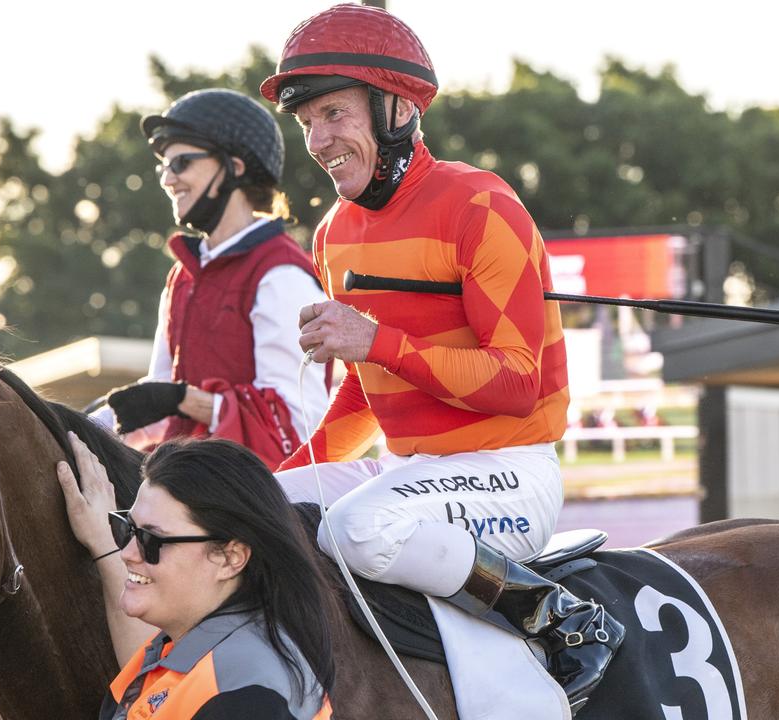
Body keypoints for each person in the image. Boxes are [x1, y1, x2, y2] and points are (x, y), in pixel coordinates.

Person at [257, 3, 623, 710]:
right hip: (413, 474)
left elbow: (518, 384)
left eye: (334, 113)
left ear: (396, 107)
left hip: (509, 472)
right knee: (248, 510)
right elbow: (365, 396)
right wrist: (277, 480)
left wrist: (376, 341)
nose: (319, 140)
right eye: (307, 124)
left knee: (358, 529)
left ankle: (559, 617)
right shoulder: (333, 234)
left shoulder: (482, 206)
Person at [91, 88, 329, 470]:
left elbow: (295, 426)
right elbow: (156, 400)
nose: (168, 179)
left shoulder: (281, 274)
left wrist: (184, 399)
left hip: (255, 496)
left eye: (181, 163)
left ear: (234, 166)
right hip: (179, 478)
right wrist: (77, 429)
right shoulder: (181, 275)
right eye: (163, 167)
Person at [55, 433, 335, 719]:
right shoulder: (168, 650)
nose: (126, 553)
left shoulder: (244, 693)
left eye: (151, 540)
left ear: (230, 558)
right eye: (128, 528)